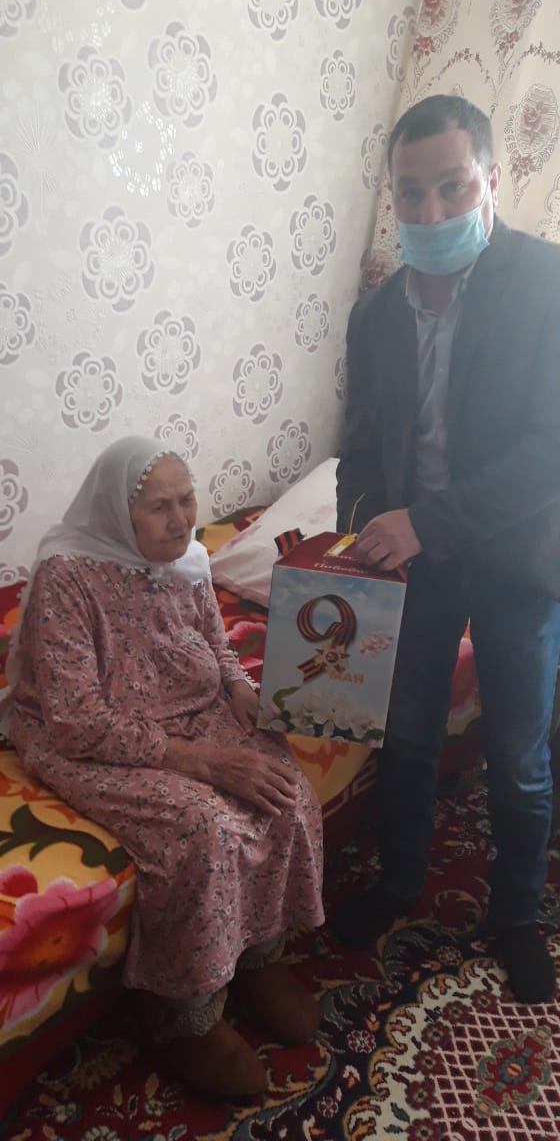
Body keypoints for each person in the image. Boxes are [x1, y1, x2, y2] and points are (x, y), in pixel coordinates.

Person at [3, 436, 324, 1100]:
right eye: (159, 507)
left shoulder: (190, 559)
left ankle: (258, 955)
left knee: (286, 792)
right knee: (204, 831)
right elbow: (75, 720)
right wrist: (207, 764)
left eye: (187, 500)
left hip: (191, 707)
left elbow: (215, 642)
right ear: (118, 513)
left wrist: (238, 689)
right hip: (96, 737)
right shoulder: (67, 577)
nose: (181, 521)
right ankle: (186, 1016)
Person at [335, 94, 560, 1003]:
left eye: (452, 187)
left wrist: (427, 522)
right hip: (414, 569)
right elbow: (360, 442)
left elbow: (547, 449)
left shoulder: (546, 286)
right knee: (409, 737)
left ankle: (517, 916)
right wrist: (358, 533)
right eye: (410, 193)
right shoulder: (374, 315)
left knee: (518, 755)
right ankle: (396, 885)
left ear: (492, 180)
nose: (429, 212)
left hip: (516, 560)